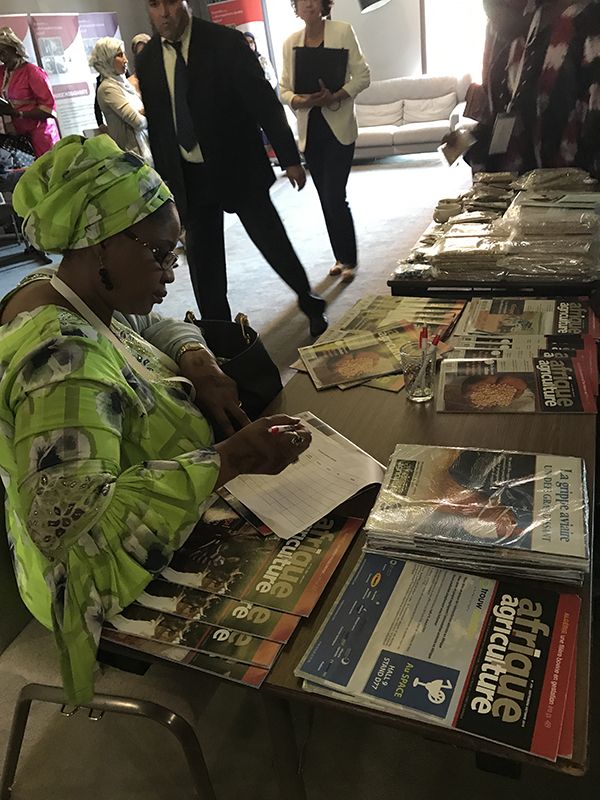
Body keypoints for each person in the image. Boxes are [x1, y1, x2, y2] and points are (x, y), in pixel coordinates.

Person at [0, 134, 312, 703]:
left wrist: (195, 355)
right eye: (162, 253)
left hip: (156, 501)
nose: (172, 272)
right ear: (100, 245)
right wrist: (230, 459)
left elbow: (151, 328)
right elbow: (76, 528)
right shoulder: (62, 365)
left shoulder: (62, 291)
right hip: (95, 577)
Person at [136, 0, 328, 337]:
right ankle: (221, 333)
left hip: (237, 166)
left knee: (272, 241)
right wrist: (164, 187)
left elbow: (263, 103)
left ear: (186, 4)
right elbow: (161, 129)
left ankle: (309, 301)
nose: (164, 13)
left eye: (171, 3)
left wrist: (290, 158)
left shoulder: (224, 42)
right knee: (203, 262)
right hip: (189, 176)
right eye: (155, 5)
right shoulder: (148, 59)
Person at [280, 0, 370, 283]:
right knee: (324, 197)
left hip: (339, 127)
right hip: (311, 129)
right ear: (295, 8)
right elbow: (283, 88)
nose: (308, 4)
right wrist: (300, 99)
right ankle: (339, 257)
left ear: (324, 4)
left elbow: (363, 76)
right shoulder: (290, 43)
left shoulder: (343, 31)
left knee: (334, 194)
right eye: (301, 0)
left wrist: (337, 95)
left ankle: (349, 258)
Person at [466, 0, 600, 176]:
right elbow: (499, 103)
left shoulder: (588, 20)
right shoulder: (510, 24)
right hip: (513, 184)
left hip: (570, 188)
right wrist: (473, 142)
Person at [90, 37, 152, 163]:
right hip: (132, 159)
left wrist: (142, 112)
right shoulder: (108, 88)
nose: (125, 59)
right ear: (107, 59)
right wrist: (146, 112)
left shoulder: (123, 83)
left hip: (145, 152)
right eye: (119, 55)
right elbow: (138, 122)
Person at [0, 27, 60, 158]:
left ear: (16, 50)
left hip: (40, 135)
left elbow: (49, 110)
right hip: (17, 137)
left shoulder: (33, 73)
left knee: (47, 172)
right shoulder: (3, 72)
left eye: (3, 52)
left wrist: (18, 113)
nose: (1, 58)